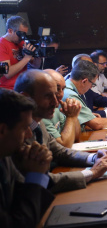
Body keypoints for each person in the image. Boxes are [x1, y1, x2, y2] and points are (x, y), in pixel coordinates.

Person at [14, 69, 107, 194]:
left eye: (56, 94)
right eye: (47, 96)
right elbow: (42, 180)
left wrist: (93, 158)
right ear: (26, 98)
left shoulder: (37, 120)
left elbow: (59, 151)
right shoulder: (13, 131)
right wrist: (91, 173)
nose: (56, 102)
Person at [0, 88, 54, 227]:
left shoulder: (5, 156)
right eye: (24, 128)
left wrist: (29, 171)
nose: (29, 135)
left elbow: (25, 206)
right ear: (2, 130)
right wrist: (35, 174)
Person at [63, 60, 107, 130]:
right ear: (84, 81)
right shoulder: (71, 95)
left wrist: (89, 116)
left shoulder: (70, 86)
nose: (91, 87)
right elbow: (97, 124)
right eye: (92, 84)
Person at [42, 69, 82, 148]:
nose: (61, 94)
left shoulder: (55, 109)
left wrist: (74, 115)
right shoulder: (42, 114)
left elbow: (76, 136)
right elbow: (64, 145)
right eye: (57, 89)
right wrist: (71, 117)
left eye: (63, 89)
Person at [0, 16, 38, 89]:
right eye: (20, 34)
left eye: (24, 34)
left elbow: (35, 65)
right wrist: (27, 58)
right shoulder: (1, 45)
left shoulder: (20, 42)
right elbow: (7, 73)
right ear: (10, 31)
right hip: (7, 89)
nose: (22, 37)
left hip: (23, 86)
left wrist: (38, 55)